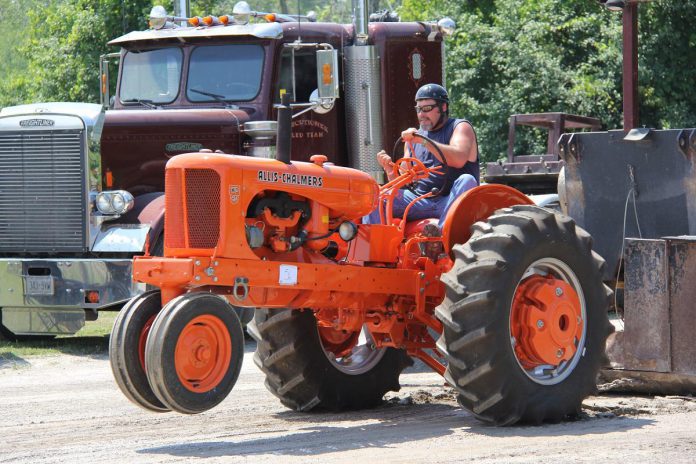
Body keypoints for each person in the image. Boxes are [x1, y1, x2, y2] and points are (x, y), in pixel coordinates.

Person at [366, 83, 479, 227]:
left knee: (467, 180)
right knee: (374, 197)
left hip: (451, 200)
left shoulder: (460, 127)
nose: (421, 114)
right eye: (418, 109)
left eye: (427, 109)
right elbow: (404, 182)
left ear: (443, 107)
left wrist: (423, 141)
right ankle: (375, 246)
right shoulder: (414, 139)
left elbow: (458, 159)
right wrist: (389, 170)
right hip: (420, 200)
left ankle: (442, 232)